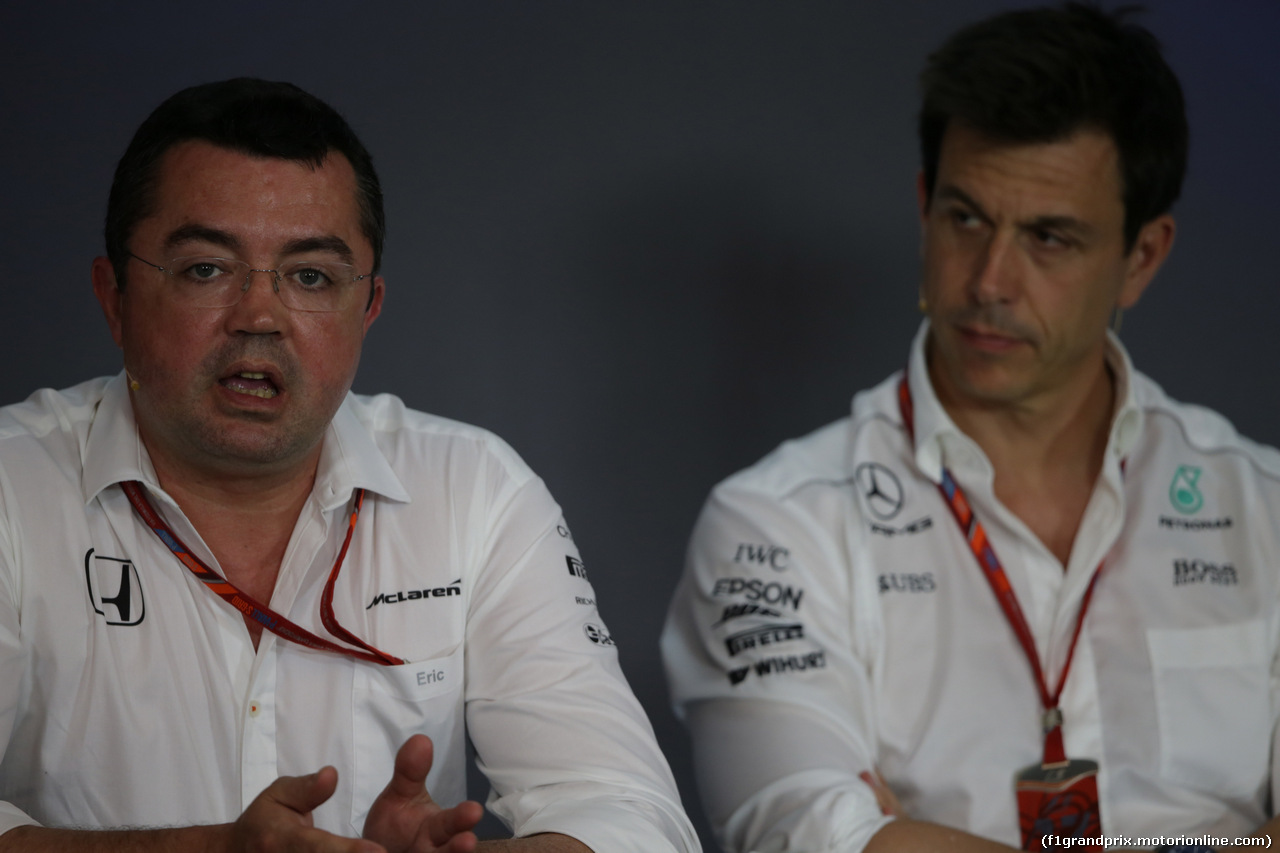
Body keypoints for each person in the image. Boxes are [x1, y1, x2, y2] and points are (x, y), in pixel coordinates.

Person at [0, 78, 699, 853]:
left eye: (310, 277)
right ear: (115, 296)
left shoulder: (472, 489)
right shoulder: (11, 488)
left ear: (367, 308)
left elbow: (628, 809)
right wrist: (199, 850)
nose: (258, 317)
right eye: (206, 268)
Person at [662, 4, 1280, 852]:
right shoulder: (775, 523)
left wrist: (911, 835)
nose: (990, 279)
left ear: (1143, 257)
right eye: (965, 218)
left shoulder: (1265, 508)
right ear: (923, 205)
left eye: (1049, 238)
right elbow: (807, 834)